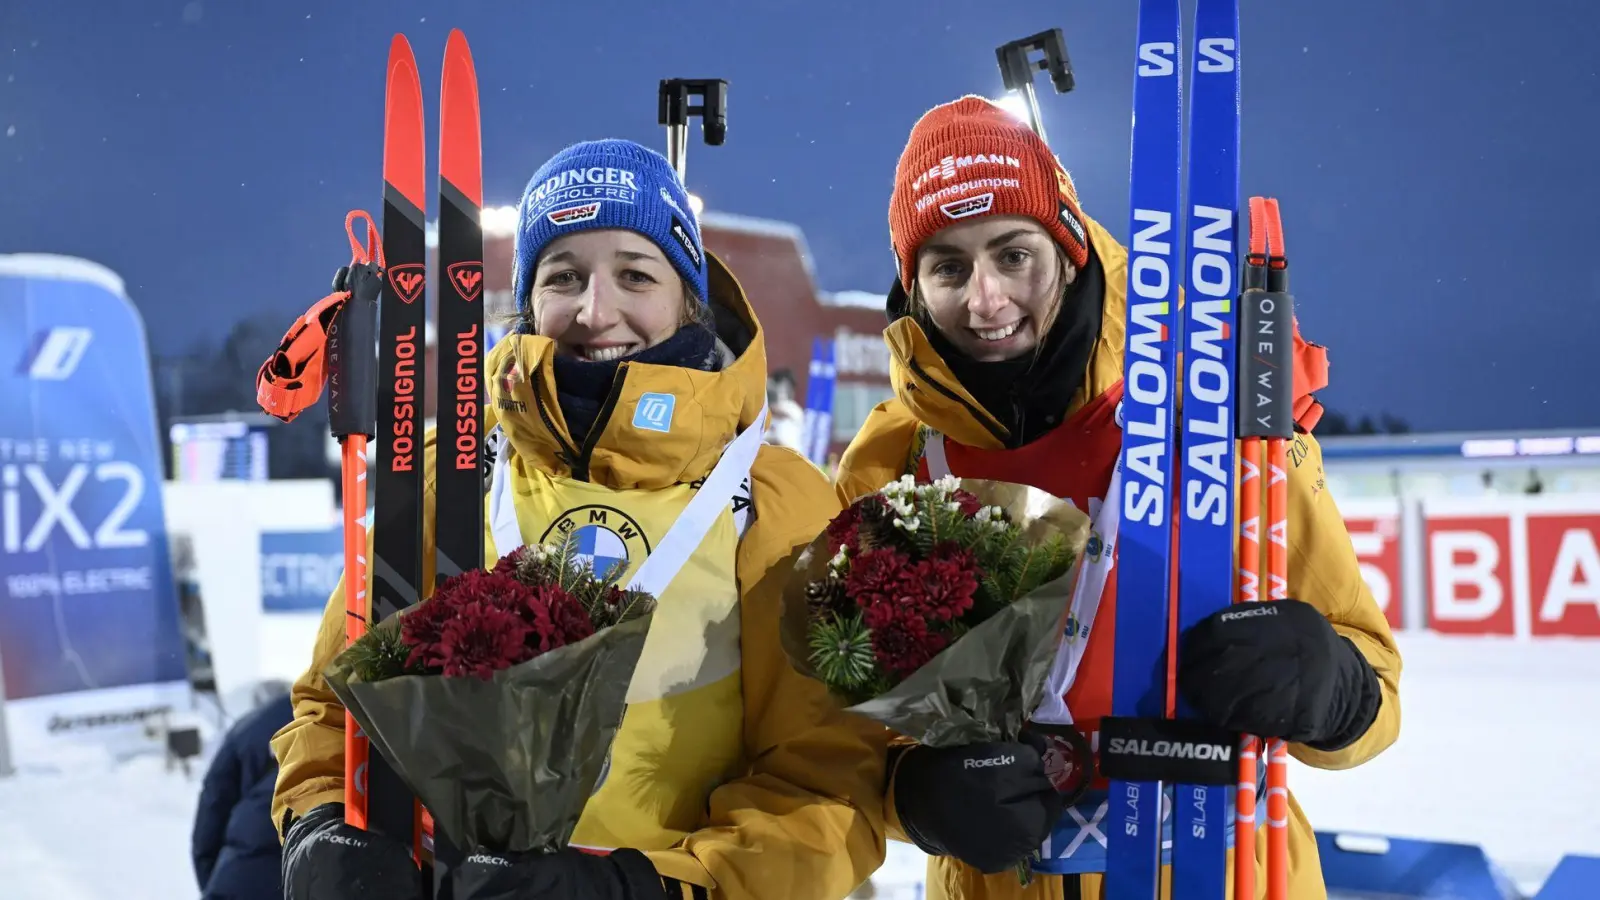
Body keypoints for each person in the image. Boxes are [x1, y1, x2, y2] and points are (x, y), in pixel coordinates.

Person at [269, 139, 888, 900]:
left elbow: (830, 782)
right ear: (529, 299)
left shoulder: (778, 500)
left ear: (688, 296)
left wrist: (641, 890)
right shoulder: (447, 470)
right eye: (564, 277)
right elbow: (337, 712)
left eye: (635, 273)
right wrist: (323, 826)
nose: (597, 312)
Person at [832, 96, 1403, 900]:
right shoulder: (895, 462)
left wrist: (1331, 688)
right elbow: (846, 725)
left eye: (1013, 254)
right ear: (913, 288)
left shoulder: (1207, 411)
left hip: (1224, 872)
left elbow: (1375, 686)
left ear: (1067, 249)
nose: (986, 299)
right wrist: (913, 793)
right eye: (948, 267)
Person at [192, 683, 294, 900]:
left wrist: (214, 879)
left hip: (243, 870)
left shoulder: (247, 728)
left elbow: (213, 805)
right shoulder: (345, 714)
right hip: (314, 870)